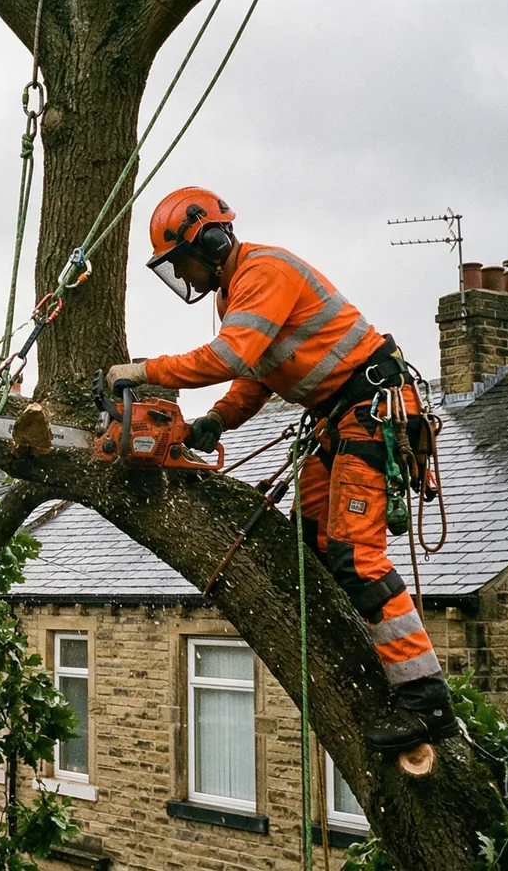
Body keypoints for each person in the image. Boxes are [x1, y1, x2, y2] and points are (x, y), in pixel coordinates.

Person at [106, 186, 454, 753]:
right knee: (311, 540)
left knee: (357, 555)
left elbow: (230, 356)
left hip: (369, 410)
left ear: (210, 240)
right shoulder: (236, 290)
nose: (184, 275)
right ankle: (369, 650)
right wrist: (216, 420)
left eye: (181, 261)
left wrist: (144, 370)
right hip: (337, 418)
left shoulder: (264, 271)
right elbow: (257, 373)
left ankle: (426, 700)